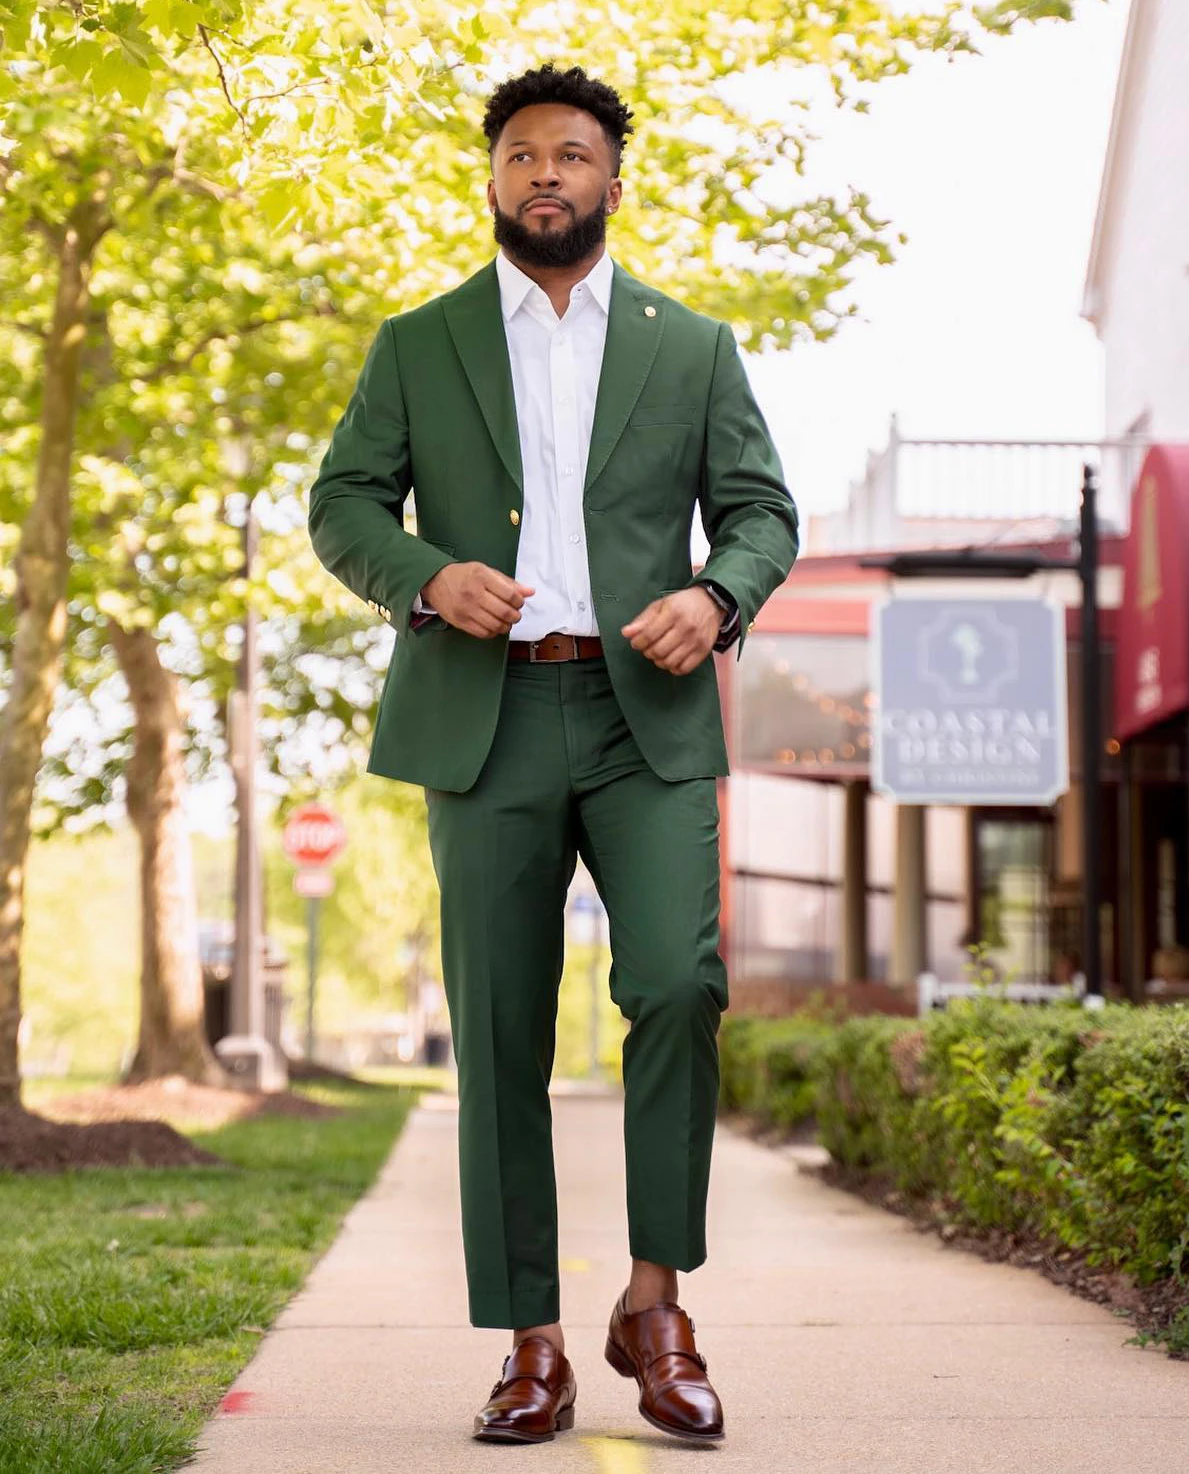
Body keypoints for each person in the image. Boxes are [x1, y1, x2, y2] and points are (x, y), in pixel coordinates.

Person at [307, 61, 799, 1446]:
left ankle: (656, 1301)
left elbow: (761, 511)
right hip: (489, 715)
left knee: (679, 983)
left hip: (648, 719)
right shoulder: (421, 341)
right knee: (504, 1030)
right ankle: (531, 1340)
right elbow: (342, 498)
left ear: (610, 180)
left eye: (570, 155)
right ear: (492, 179)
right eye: (522, 154)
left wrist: (714, 597)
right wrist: (421, 574)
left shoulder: (691, 345)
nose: (545, 175)